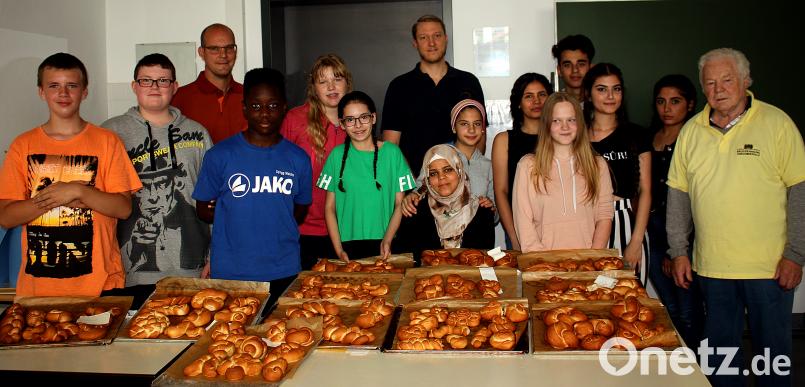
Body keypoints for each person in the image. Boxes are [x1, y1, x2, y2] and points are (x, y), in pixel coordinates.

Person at [667, 48, 805, 387]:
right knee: (721, 361)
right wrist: (679, 251)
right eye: (710, 83)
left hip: (769, 268)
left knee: (773, 360)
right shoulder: (691, 131)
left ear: (746, 81)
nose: (718, 89)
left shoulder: (777, 124)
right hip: (712, 269)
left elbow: (799, 192)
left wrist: (796, 255)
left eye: (727, 80)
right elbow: (678, 196)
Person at [0, 53, 141, 296]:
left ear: (84, 92)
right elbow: (6, 217)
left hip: (100, 286)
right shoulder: (22, 145)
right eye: (54, 86)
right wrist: (55, 197)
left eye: (71, 86)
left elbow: (123, 208)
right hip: (38, 289)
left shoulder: (107, 142)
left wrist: (79, 191)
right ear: (41, 92)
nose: (63, 94)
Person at [192, 68, 311, 307]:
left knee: (282, 339)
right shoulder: (220, 155)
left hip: (283, 270)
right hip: (232, 272)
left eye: (273, 105)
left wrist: (268, 212)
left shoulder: (297, 158)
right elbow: (203, 210)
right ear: (245, 108)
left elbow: (299, 211)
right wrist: (236, 212)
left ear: (284, 108)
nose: (265, 113)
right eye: (256, 106)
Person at [102, 53, 213, 286]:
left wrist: (215, 255)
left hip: (192, 269)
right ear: (134, 86)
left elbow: (213, 198)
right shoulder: (110, 133)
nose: (154, 87)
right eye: (146, 80)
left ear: (175, 86)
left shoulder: (198, 133)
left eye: (163, 80)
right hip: (129, 272)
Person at [317, 91, 414, 261]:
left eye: (364, 117)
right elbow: (329, 208)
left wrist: (387, 239)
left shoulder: (392, 153)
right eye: (350, 120)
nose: (358, 125)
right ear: (342, 124)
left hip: (386, 245)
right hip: (347, 247)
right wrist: (338, 249)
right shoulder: (336, 156)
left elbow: (400, 203)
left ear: (373, 118)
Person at [382, 14, 485, 173]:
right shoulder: (399, 86)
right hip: (415, 190)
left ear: (446, 38)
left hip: (462, 185)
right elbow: (391, 145)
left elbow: (479, 138)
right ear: (415, 43)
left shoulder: (469, 82)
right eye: (423, 37)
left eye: (437, 35)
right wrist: (415, 186)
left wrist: (462, 180)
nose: (431, 43)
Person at [512, 92, 613, 252]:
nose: (565, 127)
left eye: (571, 120)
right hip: (544, 267)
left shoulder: (597, 165)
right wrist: (542, 265)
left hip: (587, 266)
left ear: (579, 123)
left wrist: (593, 258)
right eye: (557, 121)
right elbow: (523, 220)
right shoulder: (528, 166)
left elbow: (604, 215)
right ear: (546, 124)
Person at [645, 74, 703, 350]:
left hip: (683, 237)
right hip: (651, 234)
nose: (667, 108)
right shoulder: (648, 137)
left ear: (690, 104)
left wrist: (675, 249)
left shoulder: (696, 139)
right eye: (661, 101)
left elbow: (691, 199)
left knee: (689, 311)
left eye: (675, 101)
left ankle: (697, 369)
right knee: (669, 308)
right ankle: (680, 367)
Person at [280, 54, 350, 269]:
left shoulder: (357, 120)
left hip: (348, 229)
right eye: (323, 81)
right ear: (313, 87)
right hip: (304, 229)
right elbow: (279, 172)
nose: (331, 86)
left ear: (347, 82)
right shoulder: (295, 119)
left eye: (337, 79)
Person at [584, 63, 651, 285]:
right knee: (590, 296)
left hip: (626, 221)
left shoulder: (636, 134)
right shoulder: (576, 136)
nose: (610, 96)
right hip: (586, 222)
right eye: (601, 89)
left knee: (630, 296)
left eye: (617, 89)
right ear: (589, 93)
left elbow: (645, 191)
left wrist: (636, 241)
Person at [395, 144, 496, 264]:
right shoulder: (413, 211)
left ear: (459, 171)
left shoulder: (482, 211)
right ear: (427, 179)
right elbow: (407, 263)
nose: (441, 177)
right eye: (433, 173)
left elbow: (483, 264)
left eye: (448, 170)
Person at [400, 98, 495, 217]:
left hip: (476, 232)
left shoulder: (488, 166)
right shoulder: (438, 156)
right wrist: (412, 196)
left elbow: (495, 213)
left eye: (477, 124)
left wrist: (490, 207)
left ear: (482, 129)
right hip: (439, 232)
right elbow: (421, 189)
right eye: (464, 124)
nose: (471, 130)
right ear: (454, 127)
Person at [492, 73, 553, 249]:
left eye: (542, 94)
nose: (537, 101)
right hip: (519, 228)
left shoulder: (561, 137)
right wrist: (514, 234)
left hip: (556, 226)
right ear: (518, 103)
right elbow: (501, 192)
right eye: (528, 96)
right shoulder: (504, 140)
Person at [172, 23, 246, 144]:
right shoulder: (179, 98)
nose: (223, 55)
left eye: (229, 48)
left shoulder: (250, 96)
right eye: (214, 49)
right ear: (201, 52)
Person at [551, 34, 595, 101]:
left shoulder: (603, 104)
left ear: (591, 68)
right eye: (567, 65)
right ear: (559, 70)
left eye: (581, 64)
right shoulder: (552, 106)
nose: (575, 70)